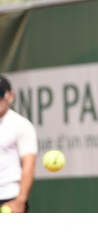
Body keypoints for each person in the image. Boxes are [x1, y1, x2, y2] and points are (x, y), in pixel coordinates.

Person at [0, 75, 38, 213]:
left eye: (0, 93)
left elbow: (29, 166)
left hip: (9, 200)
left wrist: (20, 201)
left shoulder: (21, 125)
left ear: (11, 95)